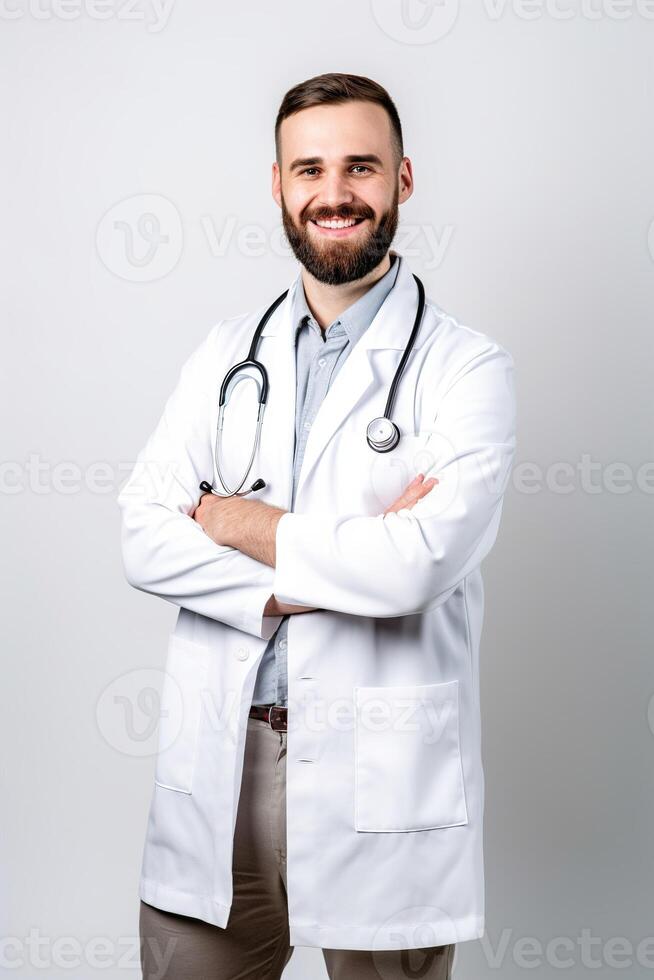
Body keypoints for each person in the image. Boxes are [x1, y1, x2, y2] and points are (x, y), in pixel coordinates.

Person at [120, 72, 516, 980]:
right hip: (226, 760)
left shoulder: (466, 369)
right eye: (310, 169)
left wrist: (237, 523)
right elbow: (143, 534)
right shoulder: (225, 354)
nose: (335, 194)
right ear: (279, 185)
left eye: (361, 167)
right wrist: (341, 564)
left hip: (382, 771)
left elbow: (417, 567)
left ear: (402, 182)